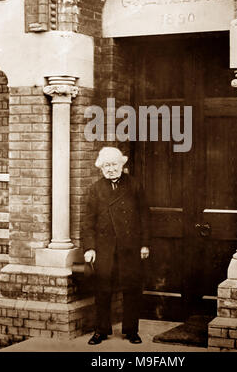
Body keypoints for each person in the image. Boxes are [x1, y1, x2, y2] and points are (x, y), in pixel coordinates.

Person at [83, 146, 150, 345]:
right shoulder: (95, 189)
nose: (110, 169)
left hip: (130, 246)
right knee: (102, 289)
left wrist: (145, 244)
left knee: (131, 288)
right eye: (106, 166)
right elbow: (88, 222)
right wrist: (89, 248)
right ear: (101, 168)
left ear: (121, 165)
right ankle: (101, 330)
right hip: (105, 247)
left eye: (113, 164)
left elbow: (145, 217)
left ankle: (131, 330)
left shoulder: (134, 186)